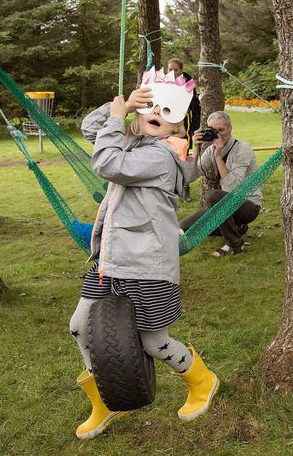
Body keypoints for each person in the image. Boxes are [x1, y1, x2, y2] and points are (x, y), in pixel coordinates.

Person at [69, 68, 218, 440]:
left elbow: (107, 163)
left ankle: (202, 381)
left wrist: (120, 121)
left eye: (168, 113)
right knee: (79, 327)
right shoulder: (133, 141)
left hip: (148, 265)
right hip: (110, 260)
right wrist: (119, 107)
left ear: (178, 128)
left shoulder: (161, 158)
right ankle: (105, 398)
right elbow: (92, 128)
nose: (157, 113)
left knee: (154, 341)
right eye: (150, 105)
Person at [179, 111, 261, 257]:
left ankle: (234, 244)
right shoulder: (210, 149)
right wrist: (196, 151)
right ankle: (237, 227)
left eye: (221, 130)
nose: (217, 134)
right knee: (183, 228)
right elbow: (190, 177)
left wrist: (218, 157)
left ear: (230, 128)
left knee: (212, 196)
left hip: (248, 204)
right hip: (224, 205)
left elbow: (233, 188)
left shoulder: (242, 149)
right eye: (213, 130)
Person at [168, 57, 202, 201]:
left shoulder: (189, 85)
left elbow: (196, 107)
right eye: (170, 69)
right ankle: (172, 188)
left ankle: (185, 186)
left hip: (184, 125)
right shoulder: (166, 83)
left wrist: (194, 127)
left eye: (175, 69)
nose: (173, 72)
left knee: (184, 155)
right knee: (170, 155)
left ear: (181, 70)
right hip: (168, 125)